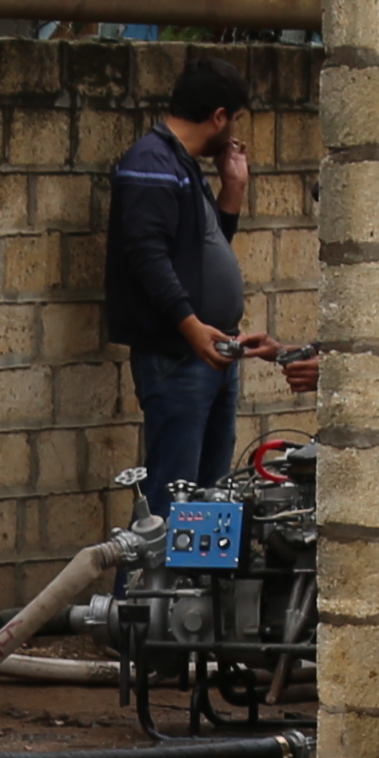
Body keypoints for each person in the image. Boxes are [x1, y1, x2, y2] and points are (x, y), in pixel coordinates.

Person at [103, 55, 260, 516]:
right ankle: (143, 590)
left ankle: (196, 589)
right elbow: (147, 257)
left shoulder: (184, 164)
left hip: (213, 352)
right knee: (174, 495)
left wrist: (232, 190)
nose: (232, 133)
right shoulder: (152, 163)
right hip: (179, 356)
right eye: (232, 121)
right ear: (218, 116)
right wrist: (190, 325)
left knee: (209, 500)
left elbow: (204, 252)